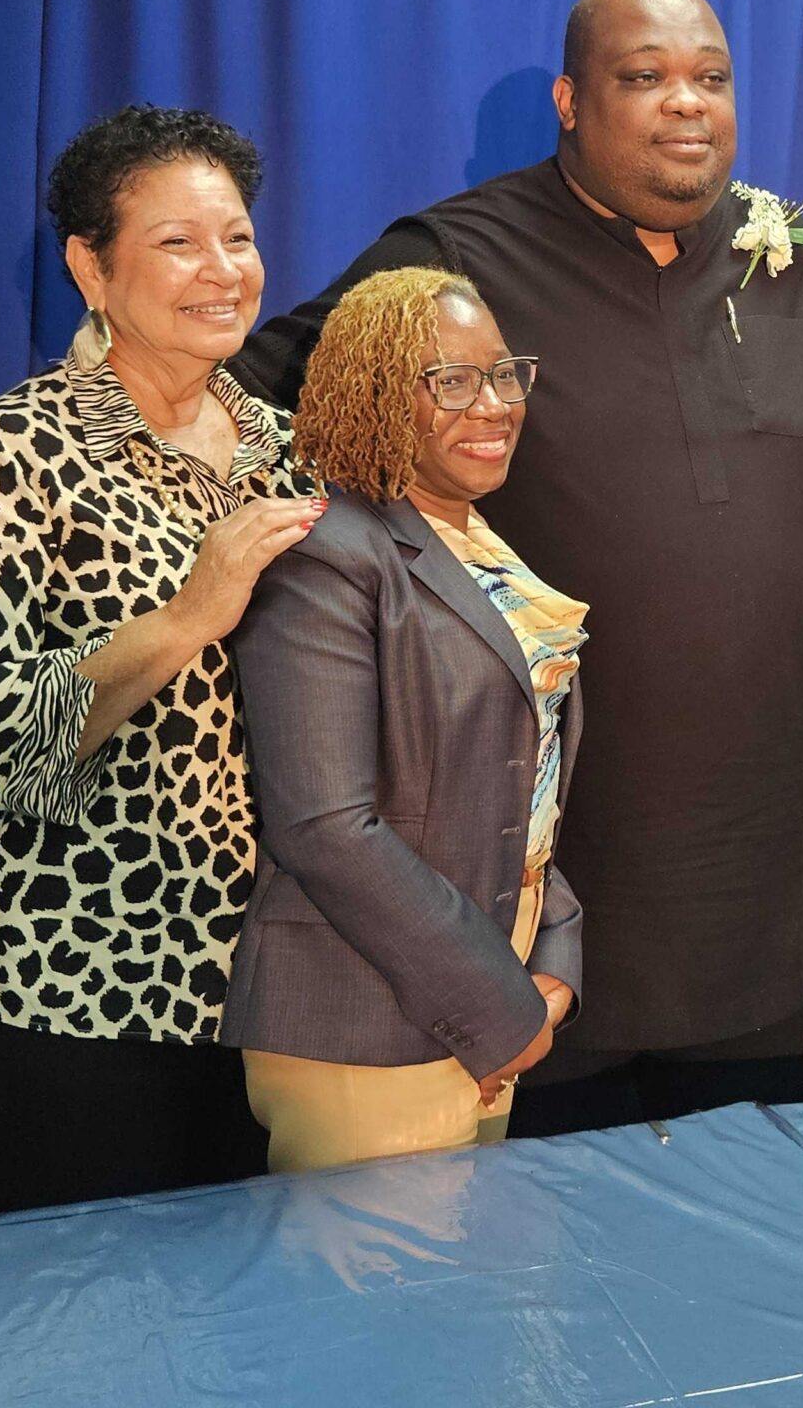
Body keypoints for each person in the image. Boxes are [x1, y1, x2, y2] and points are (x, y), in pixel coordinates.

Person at [234, 0, 803, 1132]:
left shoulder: (798, 270)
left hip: (754, 899)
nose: (685, 102)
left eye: (711, 78)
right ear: (571, 102)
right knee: (530, 1228)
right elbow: (250, 405)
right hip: (530, 910)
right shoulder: (455, 256)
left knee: (745, 1217)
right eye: (644, 77)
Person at [0, 106, 322, 1214]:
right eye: (178, 242)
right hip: (61, 982)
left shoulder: (290, 452)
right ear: (91, 267)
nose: (222, 270)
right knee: (83, 1298)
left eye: (237, 237)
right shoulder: (11, 451)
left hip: (260, 987)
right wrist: (183, 619)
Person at [225, 269, 584, 1168]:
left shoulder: (480, 546)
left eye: (503, 374)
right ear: (376, 393)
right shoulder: (328, 555)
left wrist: (553, 950)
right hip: (369, 1016)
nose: (492, 404)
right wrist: (495, 1005)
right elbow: (325, 827)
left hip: (501, 978)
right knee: (379, 1265)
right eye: (451, 381)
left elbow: (524, 777)